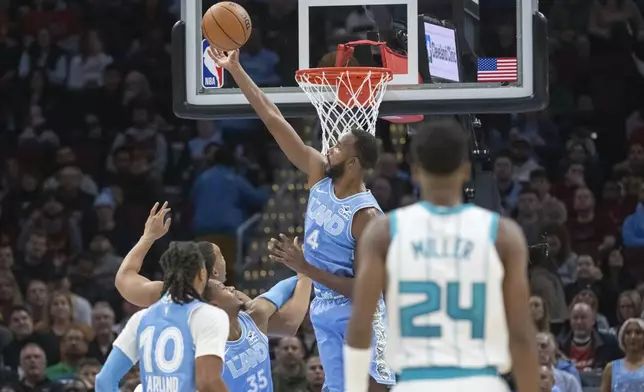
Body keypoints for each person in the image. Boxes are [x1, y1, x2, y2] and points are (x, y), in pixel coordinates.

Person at [209, 47, 394, 392]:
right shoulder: (319, 175)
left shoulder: (366, 216)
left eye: (338, 148)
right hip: (324, 308)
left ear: (354, 163)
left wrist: (305, 268)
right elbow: (273, 120)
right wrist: (235, 69)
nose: (329, 150)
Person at [344, 118, 540, 392]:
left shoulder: (383, 233)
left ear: (414, 170)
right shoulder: (503, 235)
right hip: (481, 382)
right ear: (465, 170)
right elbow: (521, 335)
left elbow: (360, 329)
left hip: (415, 383)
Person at [113, 203, 313, 391]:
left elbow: (125, 279)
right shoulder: (235, 307)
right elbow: (285, 320)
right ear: (214, 273)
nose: (231, 287)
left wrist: (148, 237)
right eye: (222, 257)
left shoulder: (169, 293)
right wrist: (305, 273)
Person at [94, 240, 230, 392]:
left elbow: (104, 381)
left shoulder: (140, 318)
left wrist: (148, 236)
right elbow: (207, 381)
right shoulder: (208, 315)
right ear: (202, 274)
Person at [600, 318, 644, 392]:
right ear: (622, 337)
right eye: (628, 333)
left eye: (638, 332)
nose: (633, 337)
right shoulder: (610, 368)